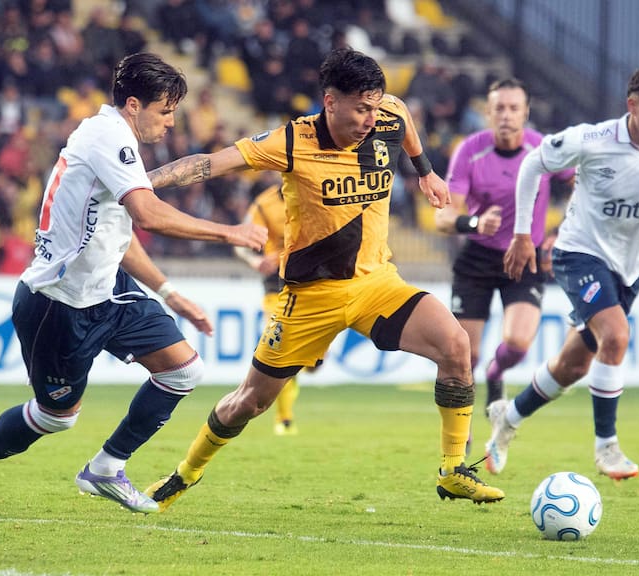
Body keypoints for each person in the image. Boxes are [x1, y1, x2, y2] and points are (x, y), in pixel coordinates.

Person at [143, 47, 505, 510]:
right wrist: (139, 183)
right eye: (361, 108)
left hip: (378, 283)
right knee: (249, 403)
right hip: (310, 297)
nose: (372, 118)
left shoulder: (388, 114)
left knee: (456, 346)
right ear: (330, 101)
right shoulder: (292, 142)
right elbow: (212, 163)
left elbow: (405, 121)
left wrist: (427, 172)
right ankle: (184, 475)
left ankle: (453, 470)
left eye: (376, 106)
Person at [0, 53, 267, 513]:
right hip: (59, 303)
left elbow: (118, 236)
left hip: (108, 291)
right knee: (56, 419)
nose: (172, 123)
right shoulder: (106, 137)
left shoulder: (117, 143)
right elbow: (149, 216)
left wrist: (170, 293)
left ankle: (105, 468)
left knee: (183, 370)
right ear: (134, 104)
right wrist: (229, 231)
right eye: (165, 111)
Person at [495, 67, 639, 479]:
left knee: (573, 367)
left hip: (629, 270)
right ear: (632, 105)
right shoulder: (593, 139)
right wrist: (521, 235)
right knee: (617, 336)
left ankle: (507, 418)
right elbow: (533, 164)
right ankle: (607, 448)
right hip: (578, 254)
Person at [435, 78, 574, 425]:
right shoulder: (470, 150)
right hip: (477, 258)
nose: (507, 115)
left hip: (525, 258)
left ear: (526, 113)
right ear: (487, 113)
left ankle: (496, 374)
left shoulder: (542, 149)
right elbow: (443, 215)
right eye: (499, 108)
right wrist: (473, 223)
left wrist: (562, 231)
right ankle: (460, 435)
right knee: (463, 357)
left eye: (514, 108)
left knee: (517, 344)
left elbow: (580, 185)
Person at [234, 182, 303, 435]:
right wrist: (256, 261)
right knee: (282, 346)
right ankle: (284, 419)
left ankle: (309, 361)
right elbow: (241, 243)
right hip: (276, 284)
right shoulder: (265, 204)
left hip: (315, 282)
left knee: (312, 361)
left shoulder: (319, 188)